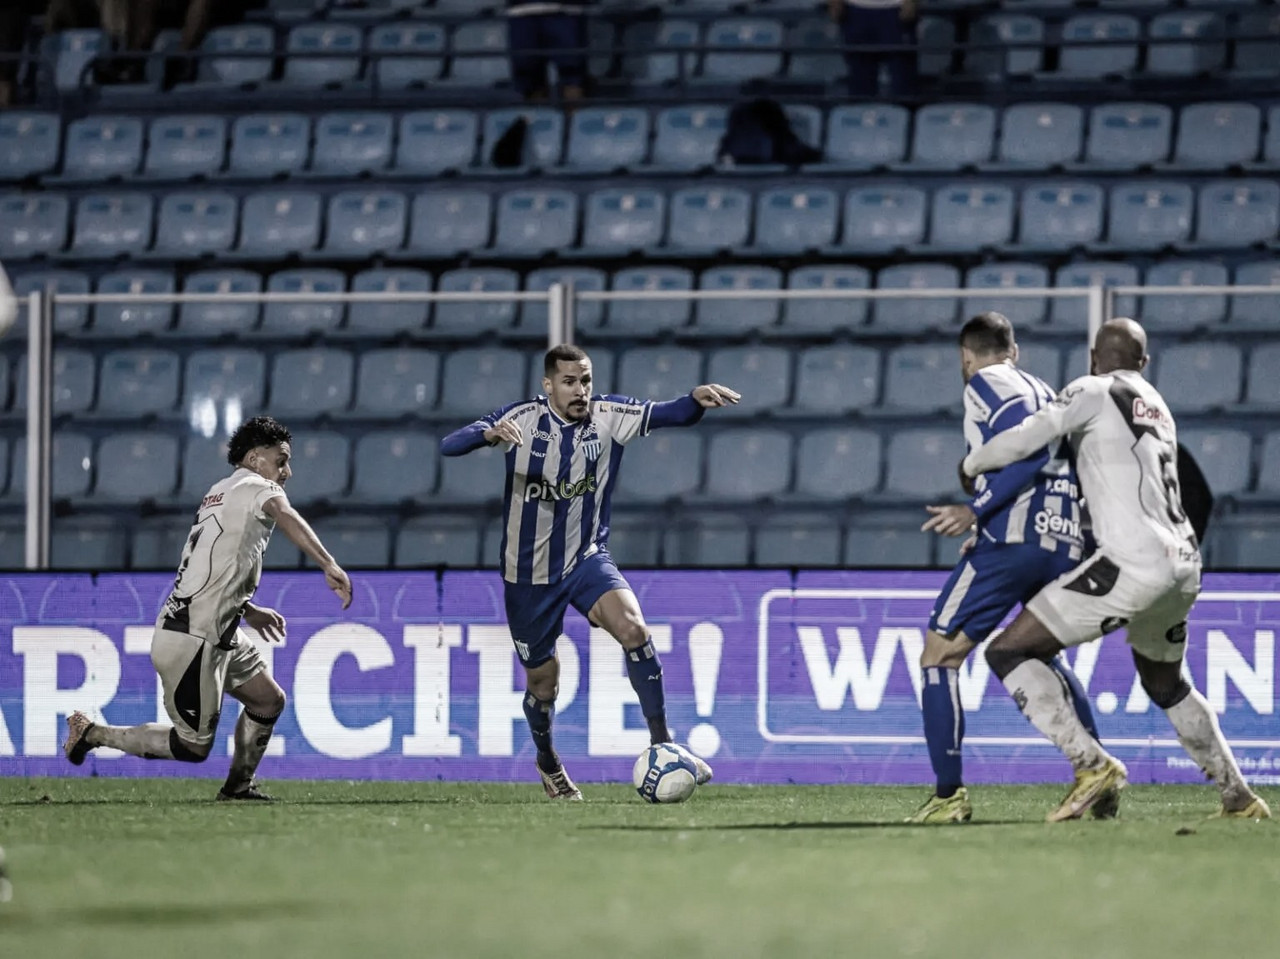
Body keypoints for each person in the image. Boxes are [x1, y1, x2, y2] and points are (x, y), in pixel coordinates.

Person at [965, 318, 1271, 822]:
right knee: (1167, 684)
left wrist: (972, 465)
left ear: (1092, 357)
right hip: (1184, 564)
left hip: (1131, 562)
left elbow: (1026, 438)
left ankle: (1090, 764)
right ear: (1143, 363)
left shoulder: (1091, 389)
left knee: (1008, 650)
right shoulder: (1159, 408)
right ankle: (1238, 796)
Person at [440, 344, 739, 800]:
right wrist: (487, 435)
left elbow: (670, 413)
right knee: (544, 683)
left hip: (586, 558)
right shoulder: (520, 419)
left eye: (585, 380)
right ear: (548, 385)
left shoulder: (607, 416)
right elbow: (449, 445)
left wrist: (695, 401)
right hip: (529, 574)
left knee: (634, 629)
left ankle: (664, 743)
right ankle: (547, 762)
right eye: (569, 382)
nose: (580, 391)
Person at [62, 416, 353, 801]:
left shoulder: (219, 492)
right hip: (194, 639)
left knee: (268, 700)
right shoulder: (255, 485)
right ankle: (93, 733)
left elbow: (210, 566)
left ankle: (238, 787)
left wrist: (247, 609)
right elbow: (285, 515)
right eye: (280, 460)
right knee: (192, 748)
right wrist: (328, 563)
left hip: (213, 628)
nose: (287, 472)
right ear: (254, 458)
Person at [909, 312, 1106, 824]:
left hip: (1014, 540)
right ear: (1013, 350)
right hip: (1063, 536)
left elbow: (1028, 448)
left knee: (940, 655)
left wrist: (978, 509)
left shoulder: (985, 383)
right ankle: (1098, 776)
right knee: (1040, 654)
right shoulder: (1046, 389)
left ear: (966, 357)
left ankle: (949, 796)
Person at [828, 0, 919, 98]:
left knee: (902, 78)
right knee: (860, 81)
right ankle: (862, 111)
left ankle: (905, 110)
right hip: (855, 10)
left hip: (897, 9)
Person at [506, 0, 591, 103]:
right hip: (521, 11)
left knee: (573, 76)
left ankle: (576, 118)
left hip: (567, 11)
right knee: (530, 77)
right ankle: (540, 118)